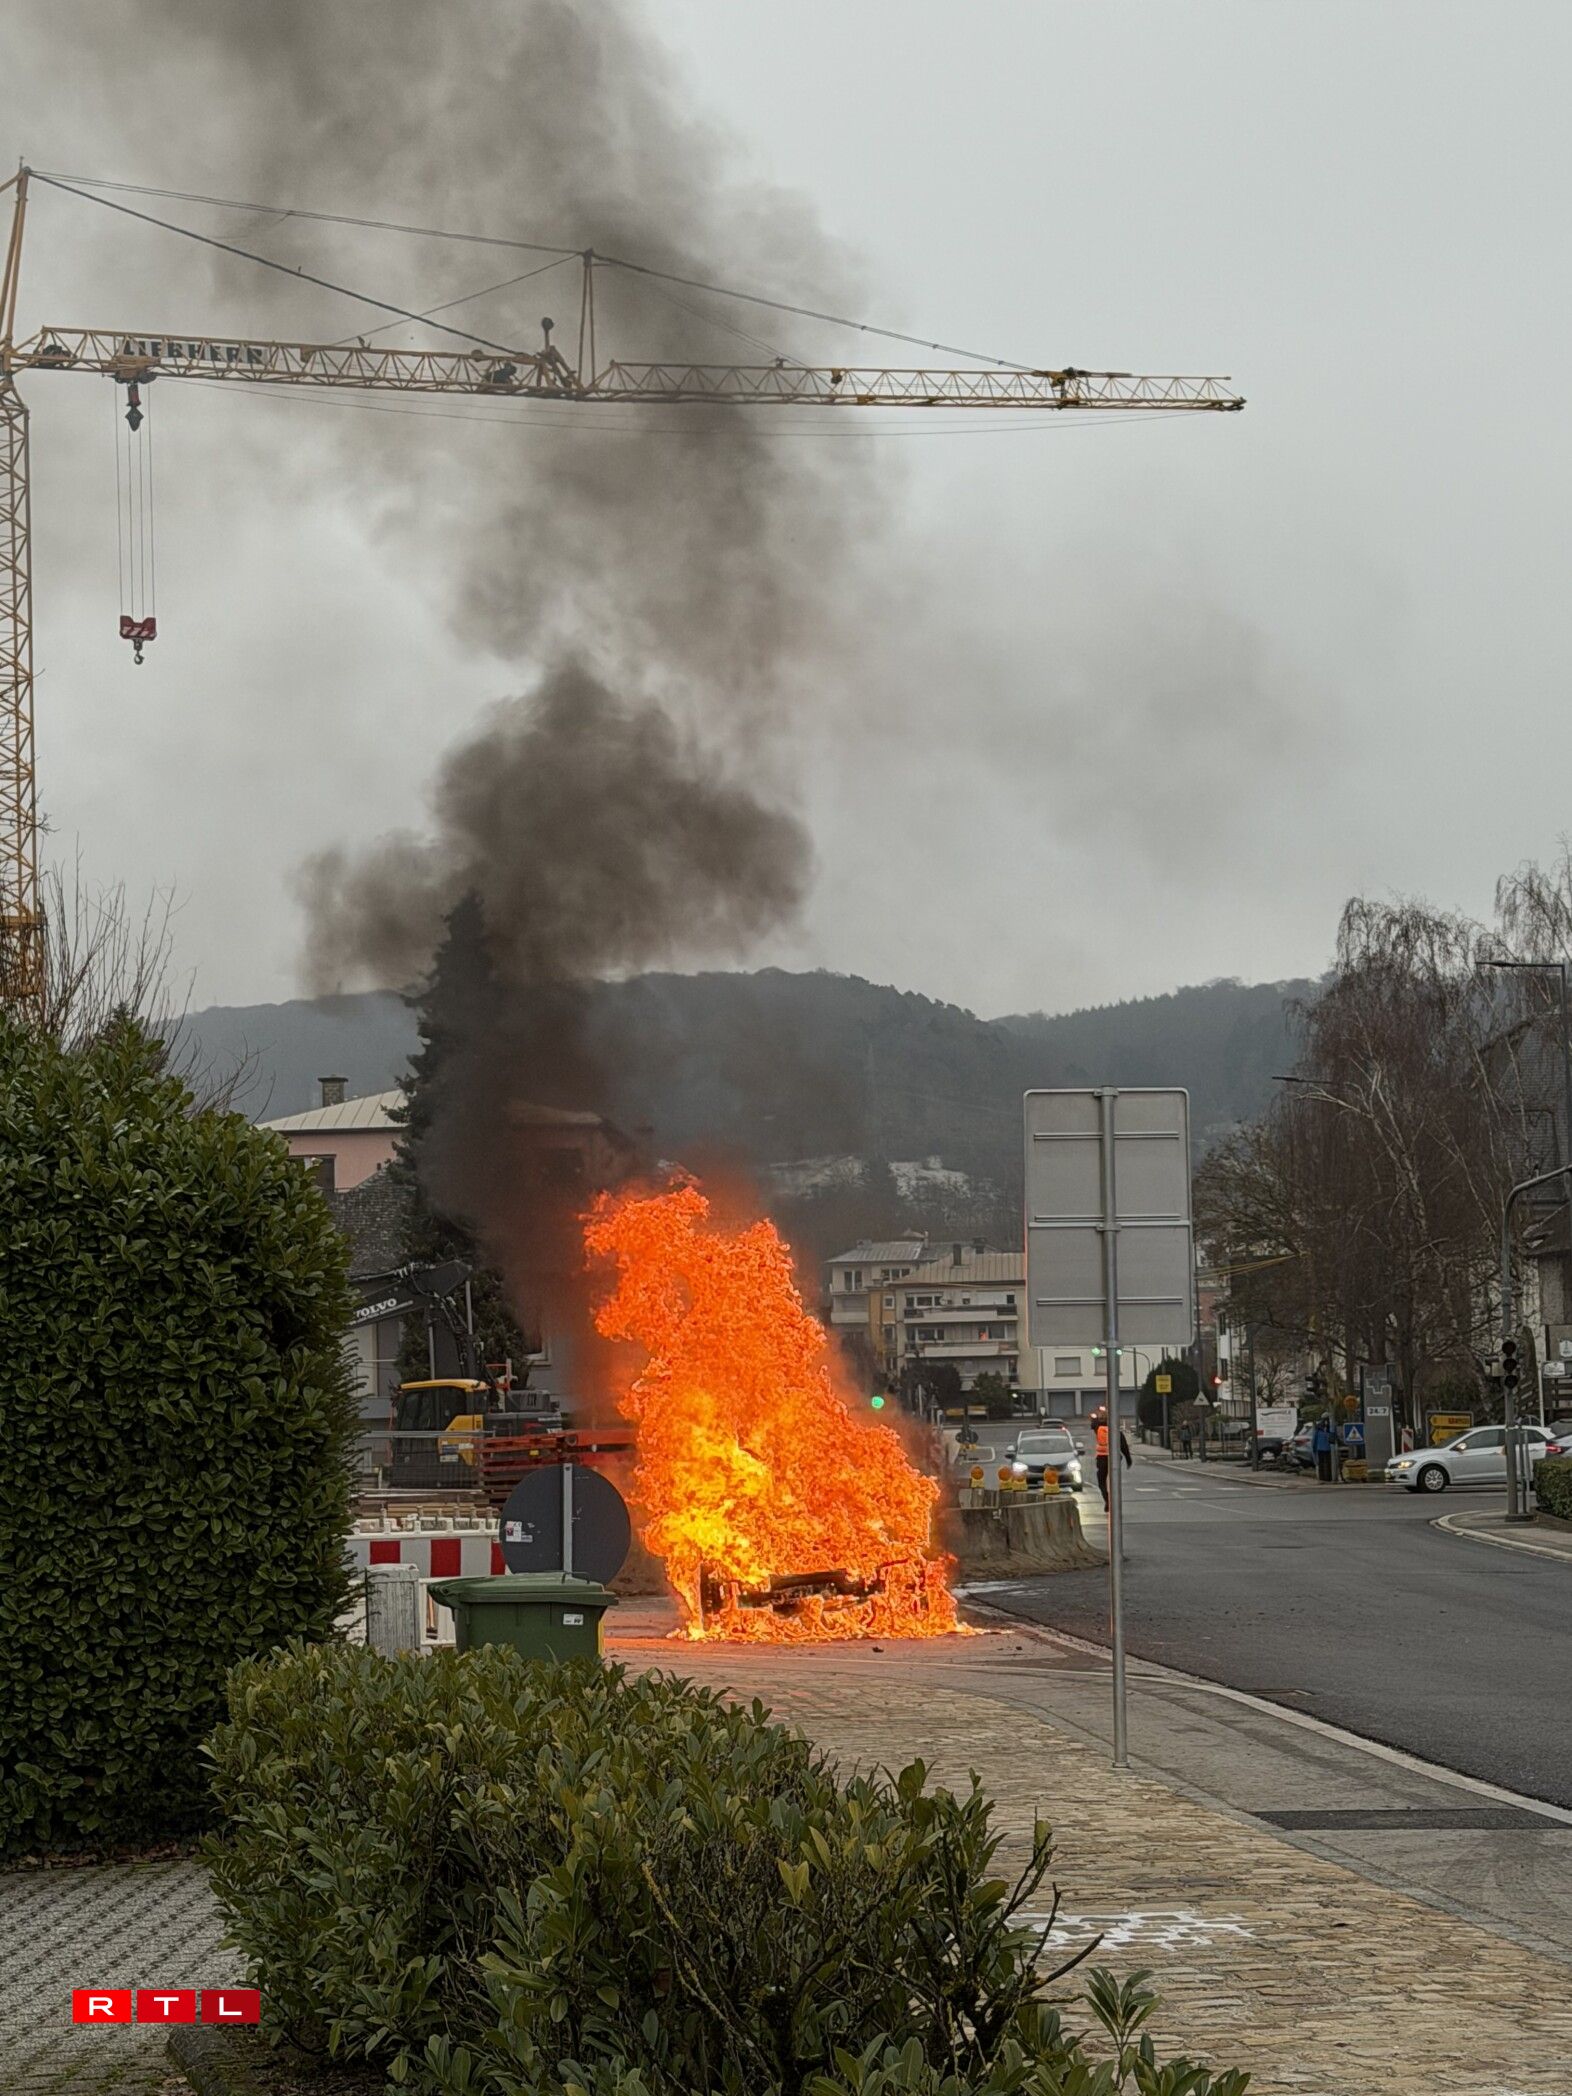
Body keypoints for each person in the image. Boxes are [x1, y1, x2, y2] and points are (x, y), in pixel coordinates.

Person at [1092, 1407, 1133, 1509]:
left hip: (1102, 1459)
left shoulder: (1098, 1429)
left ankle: (1107, 1500)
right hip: (1114, 1459)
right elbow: (1123, 1446)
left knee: (1101, 1481)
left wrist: (1096, 1416)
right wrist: (1128, 1459)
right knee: (1114, 1481)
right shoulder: (1115, 1430)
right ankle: (1114, 1501)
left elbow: (1093, 1424)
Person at [1312, 1412, 1334, 1482]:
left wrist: (1314, 1447)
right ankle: (1328, 1477)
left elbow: (1314, 1438)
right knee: (1328, 1463)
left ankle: (1322, 1477)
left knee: (1321, 1463)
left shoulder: (1318, 1427)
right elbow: (1334, 1436)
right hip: (1328, 1447)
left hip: (1320, 1447)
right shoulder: (1331, 1426)